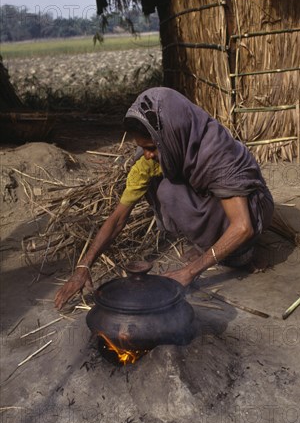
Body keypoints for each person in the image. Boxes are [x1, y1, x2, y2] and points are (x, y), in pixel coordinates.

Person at [55, 87, 274, 309]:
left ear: (170, 134)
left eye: (151, 147)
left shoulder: (217, 153)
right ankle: (210, 246)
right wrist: (84, 266)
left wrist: (189, 272)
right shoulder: (154, 158)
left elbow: (243, 226)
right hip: (215, 206)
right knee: (167, 190)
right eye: (142, 148)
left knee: (237, 247)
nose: (147, 155)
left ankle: (242, 253)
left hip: (251, 211)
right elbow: (118, 218)